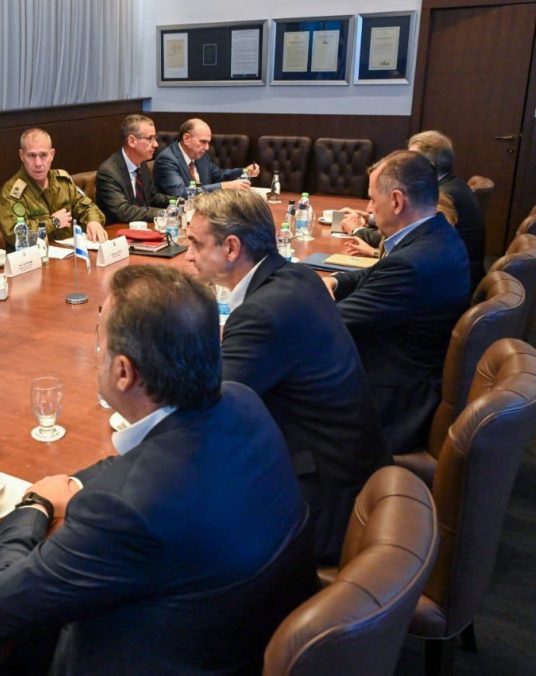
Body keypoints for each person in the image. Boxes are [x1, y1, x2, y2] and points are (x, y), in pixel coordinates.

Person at [0, 265, 318, 674]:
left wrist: (34, 504)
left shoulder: (124, 510)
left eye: (99, 343)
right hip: (248, 641)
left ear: (123, 372)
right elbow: (137, 465)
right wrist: (74, 485)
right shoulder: (242, 402)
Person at [185, 190, 389, 564]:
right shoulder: (298, 276)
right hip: (355, 467)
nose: (188, 255)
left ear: (231, 248)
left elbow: (205, 414)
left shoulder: (262, 313)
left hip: (325, 500)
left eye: (196, 244)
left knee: (183, 520)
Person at [323, 151, 470, 456]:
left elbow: (332, 324)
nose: (369, 209)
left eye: (372, 199)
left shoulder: (413, 264)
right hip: (408, 369)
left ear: (397, 201)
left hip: (393, 399)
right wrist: (335, 282)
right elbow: (376, 274)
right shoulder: (437, 233)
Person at [0, 128, 106, 249]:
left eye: (43, 155)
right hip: (35, 257)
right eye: (31, 155)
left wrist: (93, 221)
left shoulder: (63, 181)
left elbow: (87, 207)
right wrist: (53, 222)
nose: (38, 163)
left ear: (52, 155)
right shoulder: (12, 192)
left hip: (68, 253)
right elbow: (15, 234)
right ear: (22, 156)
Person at [408, 130, 486, 288]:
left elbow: (415, 238)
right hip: (460, 274)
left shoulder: (444, 195)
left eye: (412, 160)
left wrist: (366, 238)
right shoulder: (453, 184)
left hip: (454, 282)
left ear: (430, 166)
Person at [153, 118, 259, 197]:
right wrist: (224, 186)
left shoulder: (200, 156)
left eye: (208, 143)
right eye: (203, 142)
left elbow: (220, 176)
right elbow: (180, 193)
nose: (207, 148)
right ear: (186, 139)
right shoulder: (167, 160)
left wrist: (245, 171)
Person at [94, 114, 171, 224]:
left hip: (142, 228)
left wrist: (178, 203)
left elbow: (152, 197)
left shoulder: (141, 164)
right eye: (150, 138)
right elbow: (123, 212)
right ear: (131, 141)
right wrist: (164, 213)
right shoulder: (108, 172)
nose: (156, 144)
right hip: (117, 231)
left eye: (155, 138)